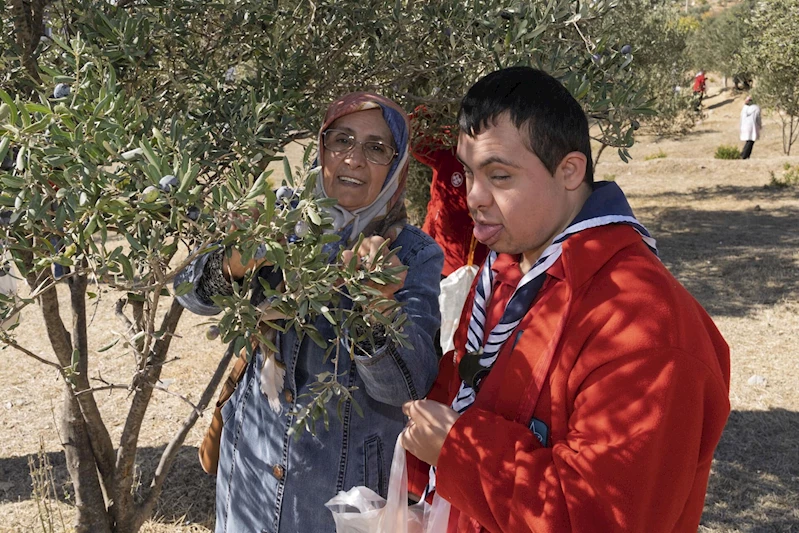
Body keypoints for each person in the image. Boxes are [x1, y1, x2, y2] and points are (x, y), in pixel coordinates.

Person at [401, 67, 731, 532]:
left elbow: (600, 517)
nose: (474, 197)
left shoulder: (645, 327)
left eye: (499, 175)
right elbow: (468, 386)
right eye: (467, 172)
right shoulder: (508, 270)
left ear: (570, 171)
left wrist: (460, 452)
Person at [175, 92, 444, 532]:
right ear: (322, 149)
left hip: (340, 497)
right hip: (250, 480)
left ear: (395, 164)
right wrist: (233, 262)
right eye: (342, 140)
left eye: (376, 148)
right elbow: (189, 292)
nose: (354, 159)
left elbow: (405, 386)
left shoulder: (414, 254)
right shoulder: (279, 216)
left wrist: (373, 307)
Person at [410, 110, 489, 277]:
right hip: (437, 258)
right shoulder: (450, 147)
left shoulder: (500, 157)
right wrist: (431, 108)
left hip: (480, 266)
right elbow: (413, 138)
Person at [740, 95, 762, 159]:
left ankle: (745, 155)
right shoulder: (756, 108)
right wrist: (760, 125)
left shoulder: (744, 108)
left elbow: (742, 117)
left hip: (744, 126)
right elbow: (758, 118)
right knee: (751, 141)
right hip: (752, 126)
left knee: (748, 140)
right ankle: (744, 155)